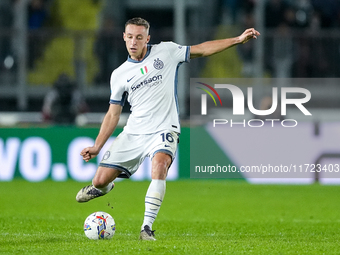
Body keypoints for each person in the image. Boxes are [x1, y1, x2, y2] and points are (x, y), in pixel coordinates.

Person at [76, 17, 260, 240]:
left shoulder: (167, 52)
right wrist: (97, 146)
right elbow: (113, 113)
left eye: (139, 38)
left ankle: (146, 227)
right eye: (130, 37)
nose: (134, 42)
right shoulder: (119, 74)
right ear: (124, 37)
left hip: (165, 127)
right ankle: (101, 189)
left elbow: (201, 50)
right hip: (134, 132)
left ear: (148, 39)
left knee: (160, 165)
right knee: (100, 180)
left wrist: (238, 40)